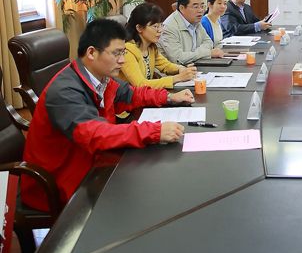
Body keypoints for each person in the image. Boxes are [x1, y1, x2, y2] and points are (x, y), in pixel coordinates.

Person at [21, 19, 194, 211]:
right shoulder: (64, 91)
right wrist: (153, 131)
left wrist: (169, 97)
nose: (122, 60)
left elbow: (131, 94)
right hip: (59, 181)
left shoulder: (100, 78)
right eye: (116, 53)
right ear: (91, 53)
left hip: (94, 163)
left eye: (123, 53)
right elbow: (95, 134)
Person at [119, 3, 197, 89]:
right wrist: (177, 78)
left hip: (146, 95)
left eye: (161, 25)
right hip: (129, 96)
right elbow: (141, 84)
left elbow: (166, 66)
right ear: (139, 28)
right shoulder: (126, 51)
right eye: (155, 26)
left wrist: (181, 69)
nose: (160, 30)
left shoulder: (150, 47)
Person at [158, 0, 224, 65]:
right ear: (182, 8)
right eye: (196, 7)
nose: (200, 10)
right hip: (175, 70)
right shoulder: (169, 27)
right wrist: (207, 53)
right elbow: (178, 58)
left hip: (193, 65)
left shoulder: (195, 21)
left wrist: (195, 54)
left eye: (202, 6)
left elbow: (208, 42)